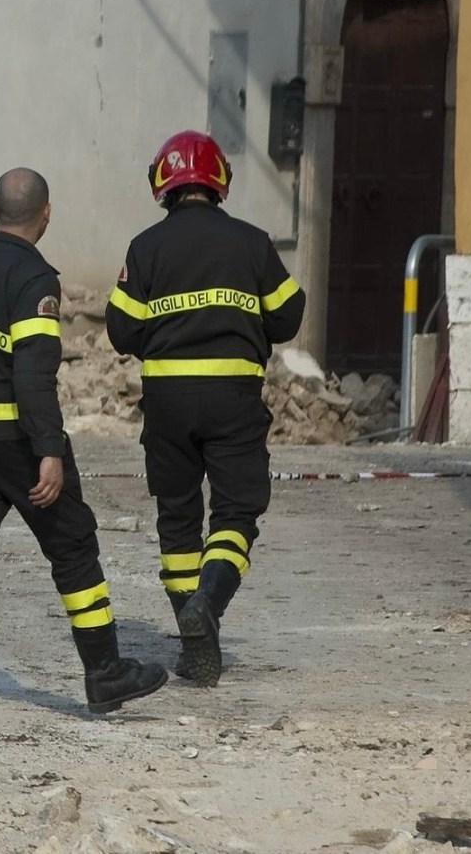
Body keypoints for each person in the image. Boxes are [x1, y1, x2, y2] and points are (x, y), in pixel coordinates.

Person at [0, 168, 168, 724]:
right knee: (72, 547)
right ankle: (104, 672)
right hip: (18, 443)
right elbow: (32, 374)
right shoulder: (35, 280)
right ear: (46, 214)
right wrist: (47, 450)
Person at [105, 129, 306, 687]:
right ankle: (208, 607)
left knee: (177, 518)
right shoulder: (252, 242)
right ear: (219, 180)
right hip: (232, 401)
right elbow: (289, 316)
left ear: (162, 186)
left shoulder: (145, 247)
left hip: (167, 402)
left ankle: (195, 637)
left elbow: (121, 329)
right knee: (237, 512)